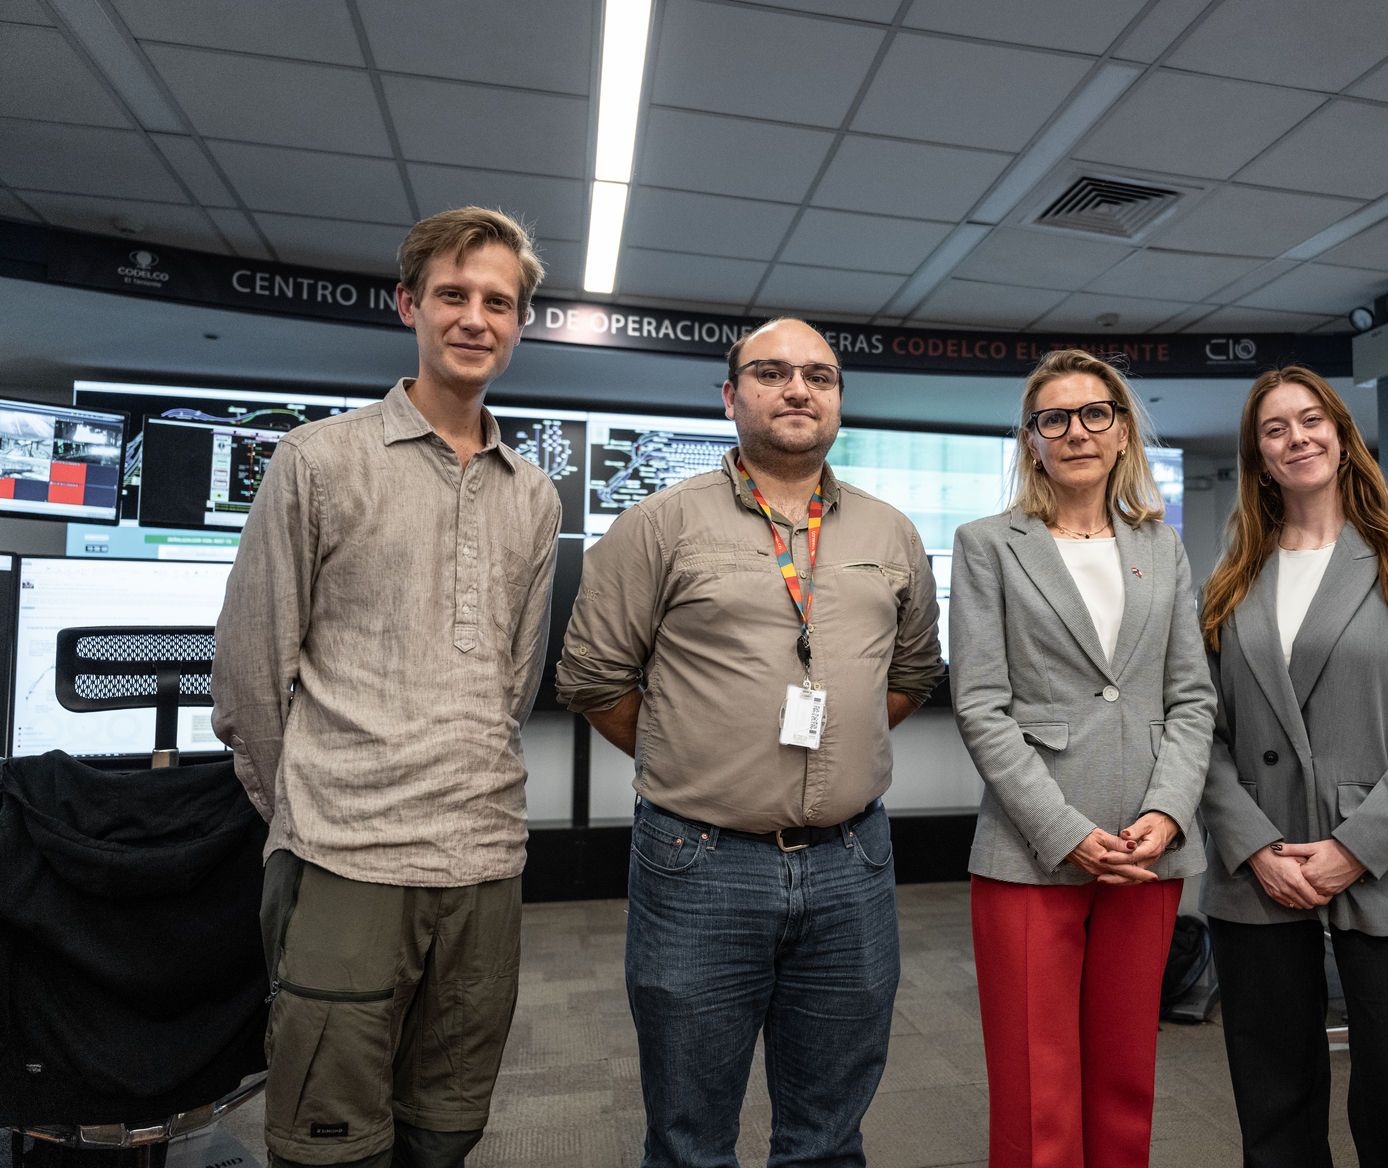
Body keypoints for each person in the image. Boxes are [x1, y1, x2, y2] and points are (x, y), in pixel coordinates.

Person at [212, 207, 561, 1168]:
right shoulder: (319, 461)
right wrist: (309, 806)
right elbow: (248, 670)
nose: (475, 318)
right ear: (409, 303)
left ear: (520, 323)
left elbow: (514, 679)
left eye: (499, 302)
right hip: (346, 859)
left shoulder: (534, 493)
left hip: (485, 856)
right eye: (453, 294)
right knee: (330, 1142)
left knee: (446, 1127)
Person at [554, 316, 947, 1167]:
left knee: (828, 1136)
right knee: (691, 1138)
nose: (799, 389)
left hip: (854, 866)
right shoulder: (659, 525)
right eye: (771, 372)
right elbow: (591, 680)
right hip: (699, 864)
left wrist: (840, 744)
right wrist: (688, 753)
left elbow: (914, 673)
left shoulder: (891, 533)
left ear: (839, 398)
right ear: (731, 396)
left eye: (820, 375)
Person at [1197, 365, 1388, 1168]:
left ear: (1343, 437)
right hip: (1261, 867)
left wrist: (1353, 849)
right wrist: (1253, 844)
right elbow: (1204, 736)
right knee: (1274, 1106)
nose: (1297, 438)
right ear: (1259, 457)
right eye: (1275, 428)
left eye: (1312, 420)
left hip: (1384, 863)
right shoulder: (1228, 584)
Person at [949, 348, 1216, 1168]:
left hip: (1147, 847)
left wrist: (1167, 814)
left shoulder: (1160, 546)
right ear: (1031, 439)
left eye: (1095, 413)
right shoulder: (989, 544)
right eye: (1054, 418)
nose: (1076, 431)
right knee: (1037, 1086)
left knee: (1126, 1073)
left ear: (1123, 429)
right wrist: (1062, 830)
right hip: (1033, 848)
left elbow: (1192, 698)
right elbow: (981, 706)